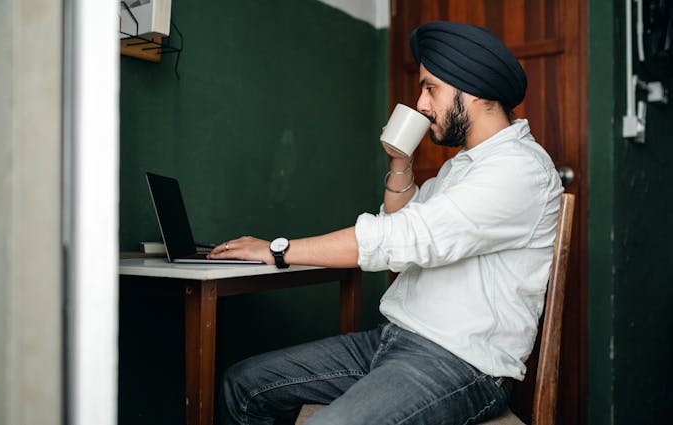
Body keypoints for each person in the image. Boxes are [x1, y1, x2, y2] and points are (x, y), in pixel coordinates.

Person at [208, 21, 564, 425]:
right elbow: (401, 237)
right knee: (243, 385)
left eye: (431, 88)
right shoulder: (461, 168)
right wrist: (400, 164)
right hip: (392, 340)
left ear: (475, 89)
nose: (421, 103)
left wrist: (278, 250)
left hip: (461, 364)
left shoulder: (518, 170)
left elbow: (400, 238)